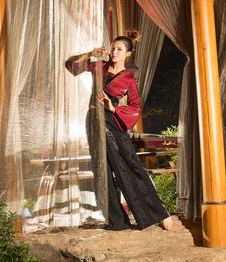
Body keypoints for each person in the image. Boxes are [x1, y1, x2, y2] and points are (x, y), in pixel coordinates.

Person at [66, 31, 173, 231]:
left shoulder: (129, 79)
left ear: (128, 54)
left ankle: (157, 213)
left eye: (119, 50)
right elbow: (71, 66)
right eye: (113, 48)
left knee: (129, 165)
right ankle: (117, 221)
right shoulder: (99, 66)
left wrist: (113, 107)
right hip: (94, 121)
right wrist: (90, 54)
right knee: (103, 170)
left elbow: (135, 107)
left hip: (112, 122)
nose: (114, 52)